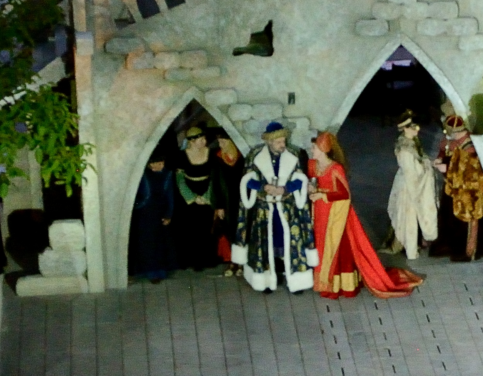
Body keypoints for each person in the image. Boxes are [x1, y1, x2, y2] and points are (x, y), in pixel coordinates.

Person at [308, 130, 422, 298]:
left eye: (315, 148)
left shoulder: (335, 168)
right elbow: (313, 181)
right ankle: (325, 281)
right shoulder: (312, 165)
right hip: (321, 213)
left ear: (324, 149)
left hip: (337, 215)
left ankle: (340, 285)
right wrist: (312, 189)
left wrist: (323, 195)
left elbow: (344, 194)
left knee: (340, 249)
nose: (312, 151)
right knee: (323, 245)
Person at [234, 122, 315, 293]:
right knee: (264, 243)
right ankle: (264, 280)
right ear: (270, 141)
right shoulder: (255, 155)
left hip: (287, 209)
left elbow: (300, 178)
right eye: (278, 141)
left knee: (292, 243)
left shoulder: (294, 154)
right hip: (264, 210)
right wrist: (263, 187)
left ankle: (296, 280)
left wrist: (285, 189)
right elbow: (247, 179)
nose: (282, 144)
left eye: (283, 140)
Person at [173, 127, 233, 272]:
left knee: (207, 228)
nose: (204, 142)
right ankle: (192, 260)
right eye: (200, 140)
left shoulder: (210, 153)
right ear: (192, 141)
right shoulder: (182, 156)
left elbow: (214, 177)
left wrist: (207, 196)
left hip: (207, 193)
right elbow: (180, 180)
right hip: (189, 197)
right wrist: (192, 198)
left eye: (204, 139)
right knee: (190, 229)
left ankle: (207, 259)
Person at [382, 113, 440, 260]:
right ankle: (411, 250)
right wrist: (427, 168)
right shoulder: (404, 149)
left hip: (410, 183)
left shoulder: (412, 142)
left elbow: (421, 160)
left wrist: (429, 162)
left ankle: (413, 247)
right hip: (408, 187)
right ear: (405, 129)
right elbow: (413, 173)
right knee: (409, 218)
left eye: (416, 126)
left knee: (411, 217)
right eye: (413, 127)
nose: (417, 130)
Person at [437, 108, 483, 262]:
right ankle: (452, 246)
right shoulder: (455, 143)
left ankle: (469, 251)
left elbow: (469, 173)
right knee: (452, 221)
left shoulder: (470, 148)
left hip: (470, 193)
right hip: (456, 190)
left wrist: (446, 168)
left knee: (467, 224)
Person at [129, 139, 176, 284]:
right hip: (145, 214)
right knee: (146, 243)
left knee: (159, 243)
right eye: (155, 163)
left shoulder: (167, 174)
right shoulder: (142, 175)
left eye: (161, 163)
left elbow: (170, 195)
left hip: (160, 213)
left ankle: (160, 271)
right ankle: (149, 272)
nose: (158, 166)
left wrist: (168, 213)